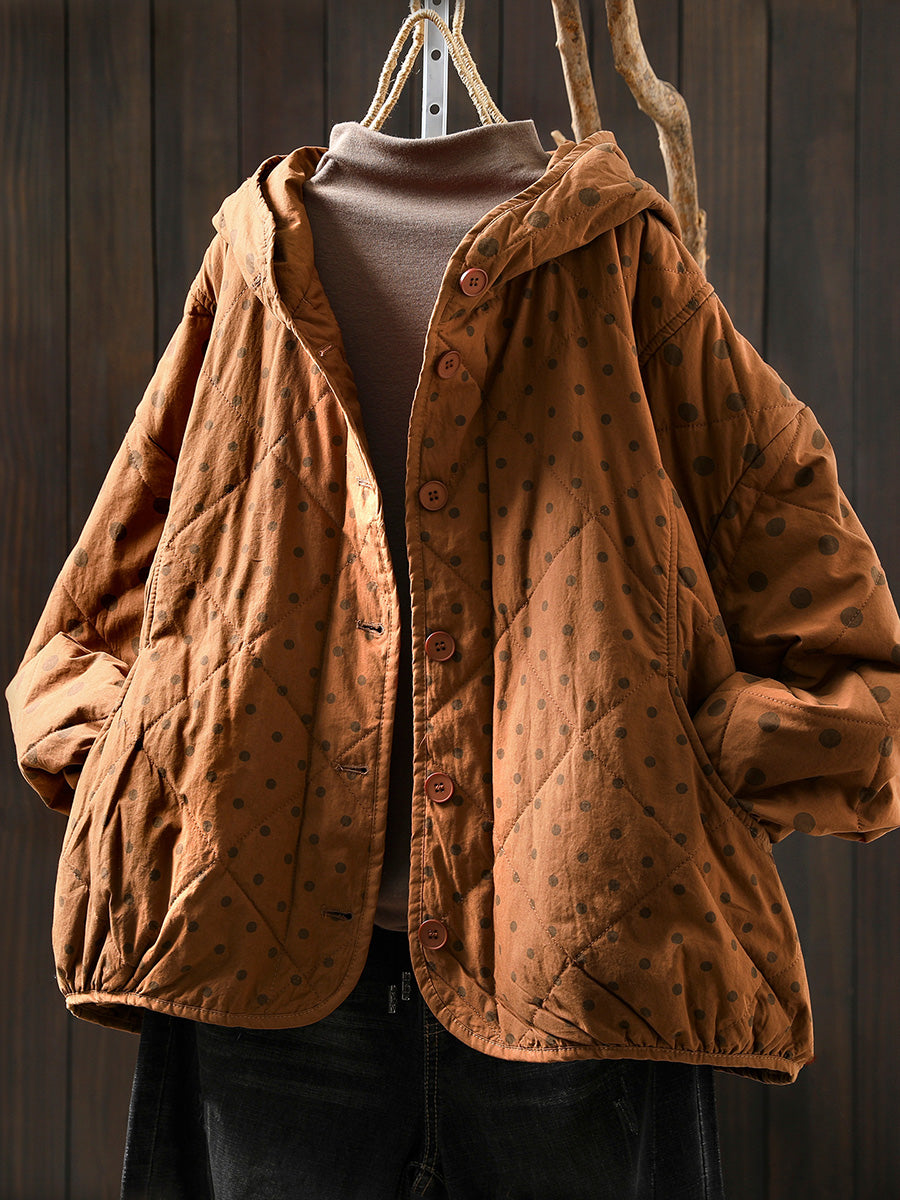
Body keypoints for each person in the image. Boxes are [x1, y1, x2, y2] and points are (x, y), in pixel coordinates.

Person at [7, 116, 900, 1199]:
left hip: (583, 956)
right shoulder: (256, 261)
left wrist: (699, 767)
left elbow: (801, 550)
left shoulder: (618, 254)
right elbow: (114, 581)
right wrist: (139, 772)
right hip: (260, 949)